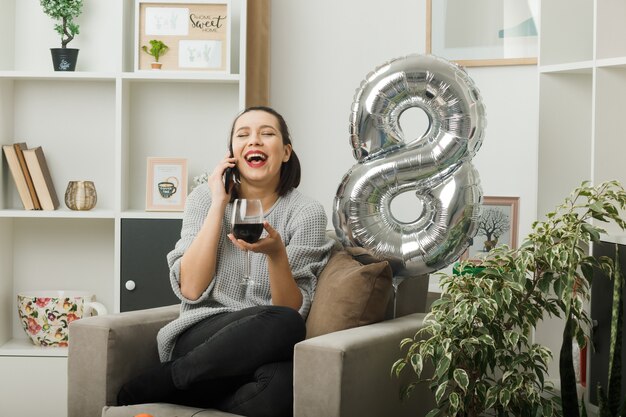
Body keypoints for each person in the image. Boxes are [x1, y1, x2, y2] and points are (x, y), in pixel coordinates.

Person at [117, 106, 335, 417]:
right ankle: (171, 377)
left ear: (286, 152)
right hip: (200, 338)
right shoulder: (204, 199)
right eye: (243, 135)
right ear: (232, 152)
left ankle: (183, 393)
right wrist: (219, 203)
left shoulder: (306, 212)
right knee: (284, 324)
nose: (254, 141)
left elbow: (290, 310)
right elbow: (190, 289)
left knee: (284, 376)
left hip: (257, 352)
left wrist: (276, 255)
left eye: (267, 133)